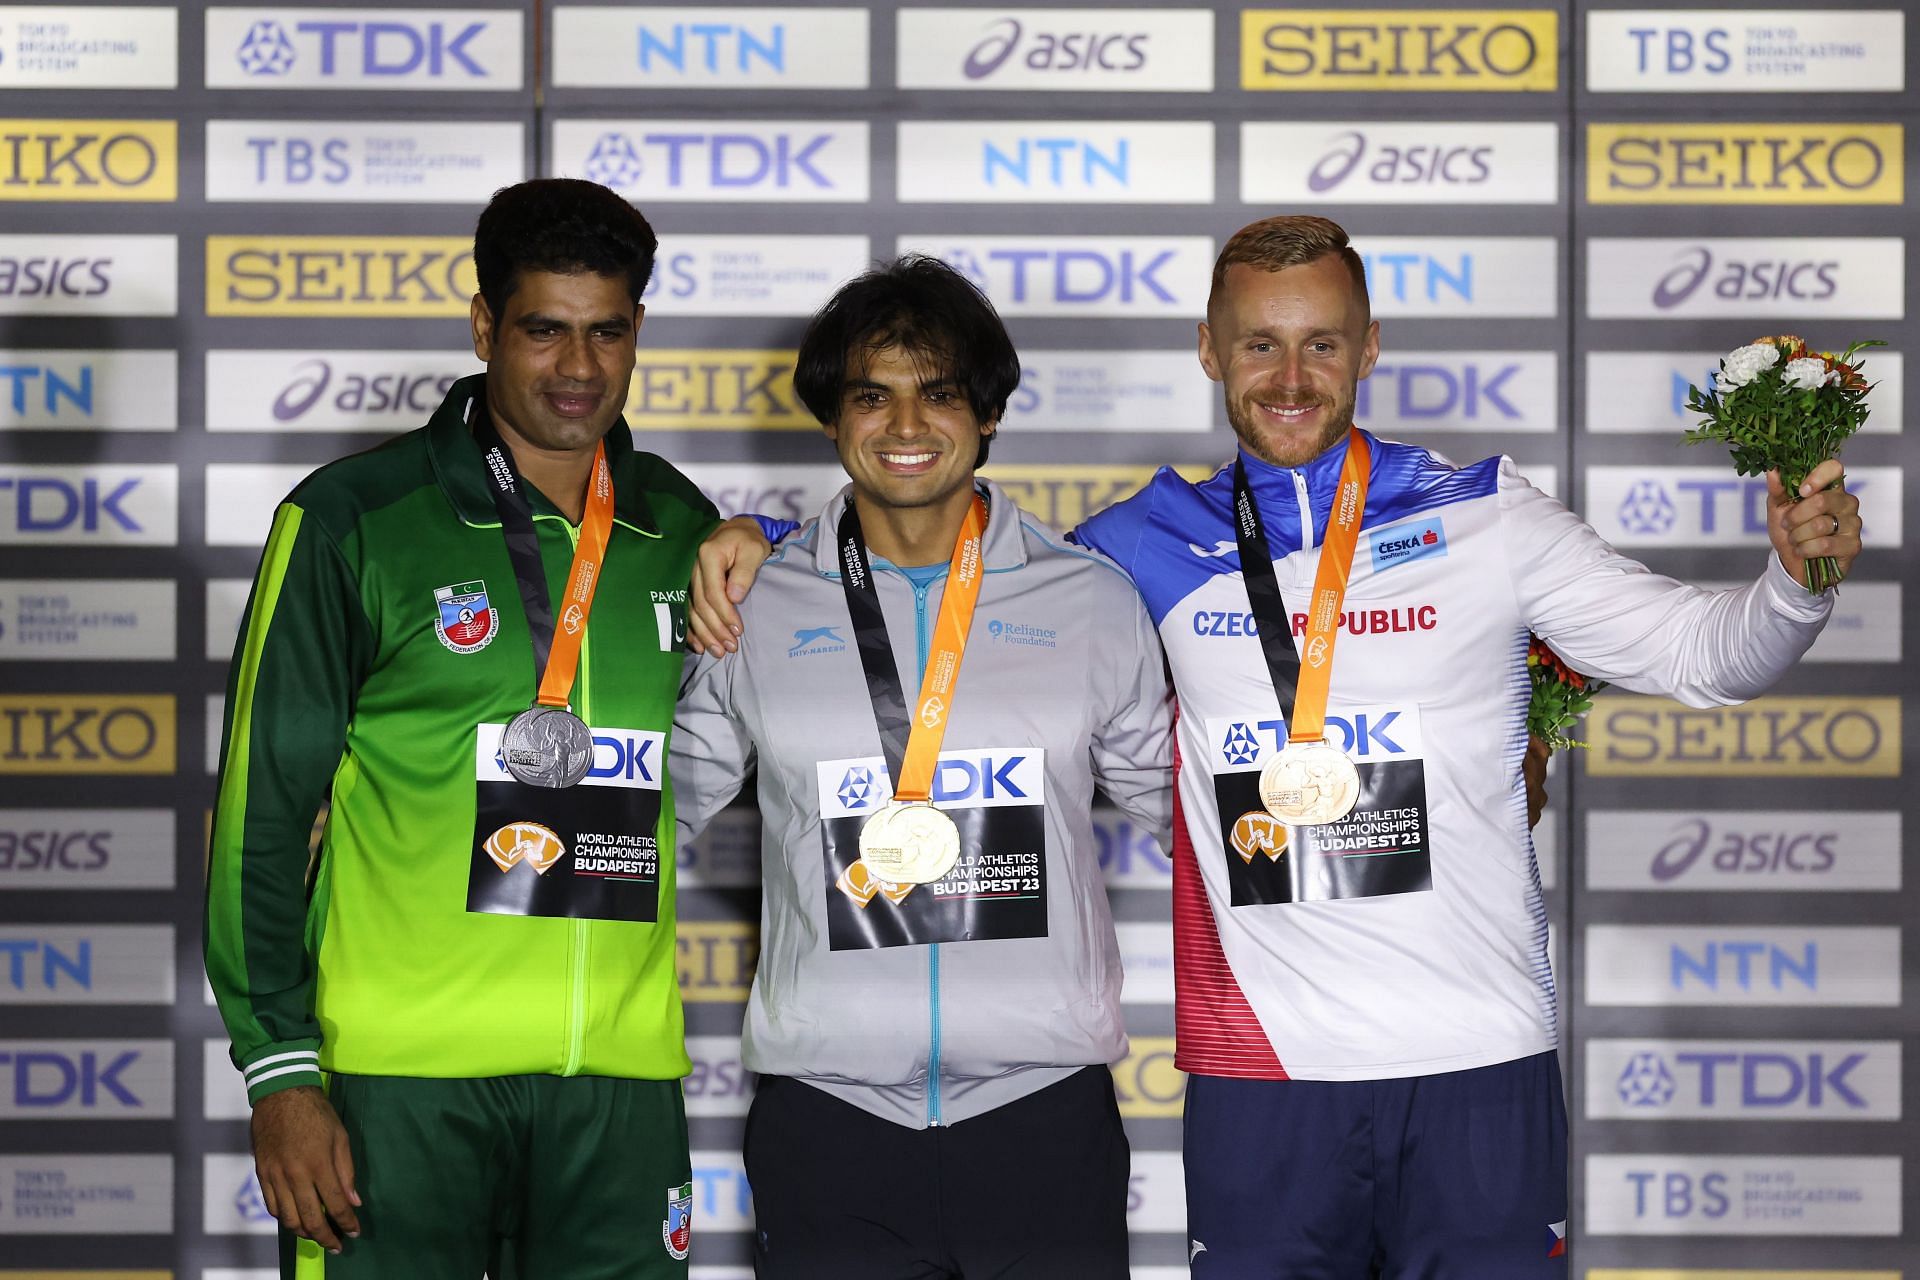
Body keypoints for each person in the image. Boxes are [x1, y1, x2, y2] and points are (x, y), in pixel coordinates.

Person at [688, 215, 1862, 1276]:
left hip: (1476, 1056)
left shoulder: (1488, 515)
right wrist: (767, 541)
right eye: (1259, 346)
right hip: (1261, 1075)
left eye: (1321, 344)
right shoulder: (1134, 550)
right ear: (1210, 349)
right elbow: (931, 547)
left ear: (1369, 346)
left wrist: (1797, 580)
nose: (1290, 377)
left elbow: (1705, 656)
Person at [205, 179, 740, 1279]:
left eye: (608, 331)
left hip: (618, 1089)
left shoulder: (678, 524)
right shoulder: (354, 517)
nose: (578, 367)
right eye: (544, 329)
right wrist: (281, 1071)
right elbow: (260, 814)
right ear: (486, 325)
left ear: (640, 331)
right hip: (398, 1085)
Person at [668, 255, 1174, 1278]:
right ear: (831, 418)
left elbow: (1191, 805)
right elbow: (658, 802)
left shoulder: (1090, 598)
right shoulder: (756, 601)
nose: (905, 425)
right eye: (873, 394)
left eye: (938, 391)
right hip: (829, 1118)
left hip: (1041, 1112)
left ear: (986, 415)